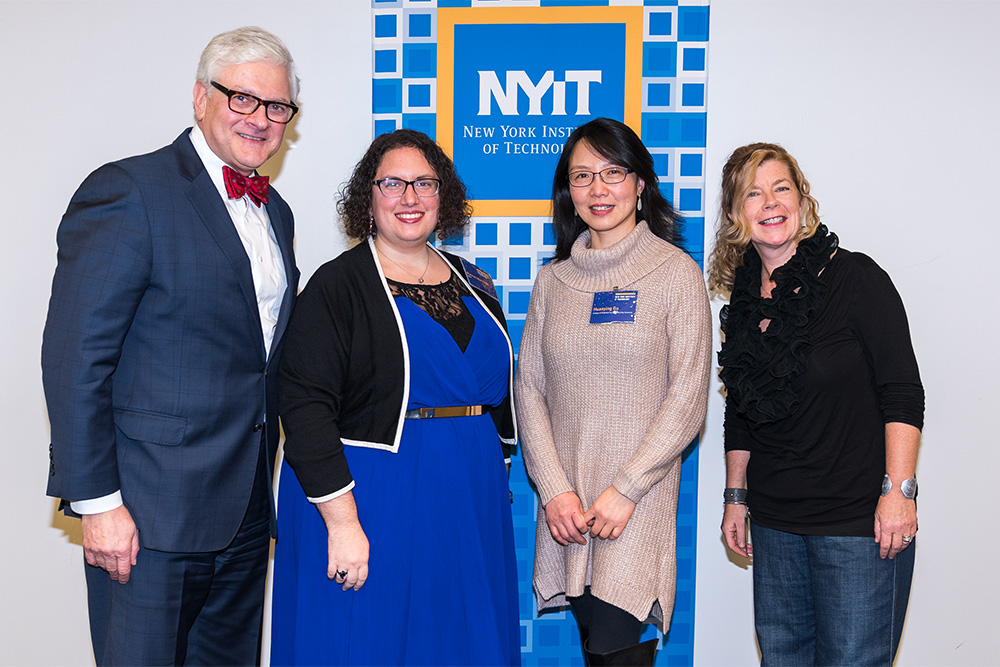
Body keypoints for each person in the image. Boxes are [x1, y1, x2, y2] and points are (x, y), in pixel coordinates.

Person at [41, 26, 300, 665]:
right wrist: (98, 504)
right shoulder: (130, 191)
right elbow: (76, 359)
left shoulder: (278, 213)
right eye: (242, 98)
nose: (260, 119)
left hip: (245, 515)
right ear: (200, 97)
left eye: (277, 106)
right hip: (146, 518)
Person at [270, 128, 520, 666]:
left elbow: (500, 399)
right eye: (392, 183)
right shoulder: (337, 286)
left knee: (457, 640)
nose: (410, 197)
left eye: (424, 183)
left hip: (467, 492)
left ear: (443, 197)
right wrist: (342, 523)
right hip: (374, 493)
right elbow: (305, 407)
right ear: (368, 198)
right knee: (368, 639)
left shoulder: (475, 282)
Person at [709, 142, 924, 666]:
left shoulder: (857, 278)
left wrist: (900, 492)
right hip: (775, 524)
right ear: (736, 215)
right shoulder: (743, 300)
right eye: (753, 194)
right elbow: (741, 411)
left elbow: (902, 391)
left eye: (781, 188)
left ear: (802, 201)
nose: (770, 203)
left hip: (857, 525)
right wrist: (736, 496)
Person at [514, 117, 712, 665]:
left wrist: (625, 489)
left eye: (613, 172)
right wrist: (554, 490)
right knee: (595, 648)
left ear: (640, 183)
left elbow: (688, 397)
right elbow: (529, 390)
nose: (598, 189)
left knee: (615, 649)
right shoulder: (552, 281)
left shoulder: (674, 273)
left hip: (635, 504)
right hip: (569, 509)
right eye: (582, 176)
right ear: (568, 191)